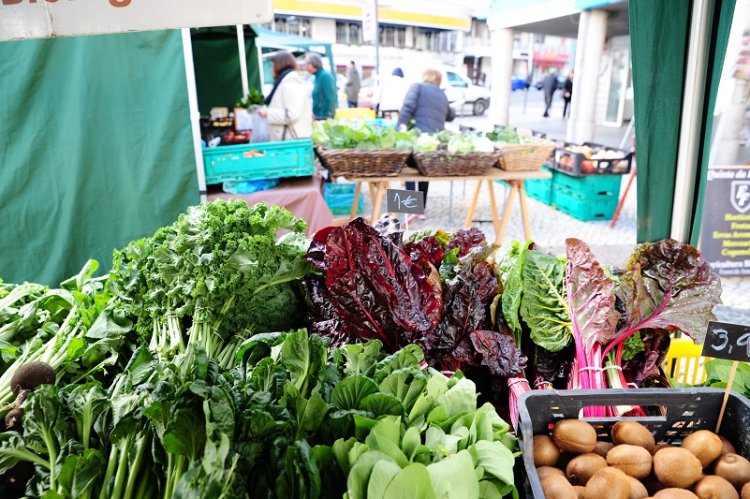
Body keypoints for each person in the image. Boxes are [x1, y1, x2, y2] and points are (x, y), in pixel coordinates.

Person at [398, 68, 455, 213]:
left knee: (410, 170)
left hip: (418, 136)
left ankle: (409, 208)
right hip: (434, 140)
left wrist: (401, 126)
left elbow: (407, 106)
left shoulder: (417, 87)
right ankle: (421, 207)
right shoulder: (442, 93)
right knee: (425, 171)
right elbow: (450, 115)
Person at [257, 51, 312, 141]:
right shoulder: (285, 81)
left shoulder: (291, 83)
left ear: (279, 65)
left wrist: (267, 113)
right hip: (289, 139)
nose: (271, 69)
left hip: (292, 140)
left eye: (272, 66)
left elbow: (292, 115)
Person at [306, 53, 337, 120]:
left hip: (324, 118)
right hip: (318, 116)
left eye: (308, 64)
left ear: (313, 64)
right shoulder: (317, 76)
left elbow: (330, 98)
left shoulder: (325, 76)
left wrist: (323, 115)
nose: (306, 67)